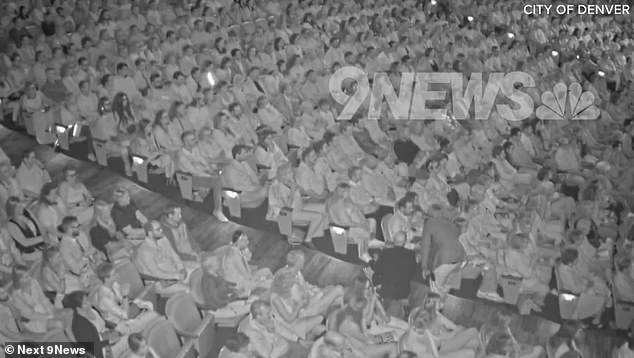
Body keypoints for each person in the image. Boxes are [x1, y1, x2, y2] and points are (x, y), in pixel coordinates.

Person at [92, 263, 159, 334]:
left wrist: (128, 299)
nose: (118, 275)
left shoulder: (113, 284)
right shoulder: (104, 299)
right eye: (114, 274)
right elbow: (125, 315)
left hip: (125, 310)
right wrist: (125, 296)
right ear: (106, 279)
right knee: (154, 314)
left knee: (149, 304)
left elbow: (122, 301)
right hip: (121, 324)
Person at [176, 131, 228, 222]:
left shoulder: (195, 148)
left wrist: (211, 169)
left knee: (225, 168)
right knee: (216, 181)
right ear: (186, 142)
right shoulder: (181, 156)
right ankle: (217, 210)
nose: (196, 140)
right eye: (193, 139)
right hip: (190, 179)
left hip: (201, 172)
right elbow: (195, 172)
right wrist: (211, 175)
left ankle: (225, 196)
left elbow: (203, 161)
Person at [133, 220, 195, 295]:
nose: (162, 230)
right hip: (160, 281)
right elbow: (156, 273)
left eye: (161, 228)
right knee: (188, 290)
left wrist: (181, 268)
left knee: (197, 274)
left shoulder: (163, 239)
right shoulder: (145, 251)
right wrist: (176, 275)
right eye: (158, 229)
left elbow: (174, 255)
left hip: (175, 270)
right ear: (150, 233)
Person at [64, 290, 128, 358]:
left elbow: (104, 322)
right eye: (85, 303)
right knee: (129, 339)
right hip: (104, 349)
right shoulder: (80, 326)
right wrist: (108, 341)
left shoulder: (92, 310)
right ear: (78, 308)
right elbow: (92, 349)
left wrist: (116, 328)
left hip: (110, 335)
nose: (89, 303)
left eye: (88, 300)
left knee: (129, 328)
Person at [371, 231, 418, 319]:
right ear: (404, 242)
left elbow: (377, 270)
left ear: (393, 240)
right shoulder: (411, 254)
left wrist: (375, 260)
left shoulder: (385, 253)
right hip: (404, 293)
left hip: (387, 293)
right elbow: (413, 273)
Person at [269, 269, 325, 341]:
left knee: (321, 327)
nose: (293, 286)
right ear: (283, 285)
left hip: (298, 317)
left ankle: (309, 335)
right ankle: (307, 337)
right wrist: (299, 305)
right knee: (320, 319)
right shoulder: (275, 298)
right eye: (291, 284)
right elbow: (289, 320)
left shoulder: (290, 290)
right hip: (289, 326)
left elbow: (302, 303)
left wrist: (304, 301)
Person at [399, 307, 475, 358]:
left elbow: (440, 341)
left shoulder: (425, 332)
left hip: (440, 352)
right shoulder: (410, 338)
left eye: (425, 320)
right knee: (470, 352)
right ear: (414, 319)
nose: (422, 320)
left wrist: (455, 332)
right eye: (421, 317)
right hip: (438, 355)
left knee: (473, 332)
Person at [6, 196, 46, 261]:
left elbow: (39, 225)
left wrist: (46, 237)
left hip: (40, 245)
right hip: (28, 253)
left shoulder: (27, 211)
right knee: (51, 254)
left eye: (21, 205)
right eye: (18, 207)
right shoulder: (10, 224)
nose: (22, 208)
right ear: (12, 210)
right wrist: (42, 238)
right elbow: (25, 242)